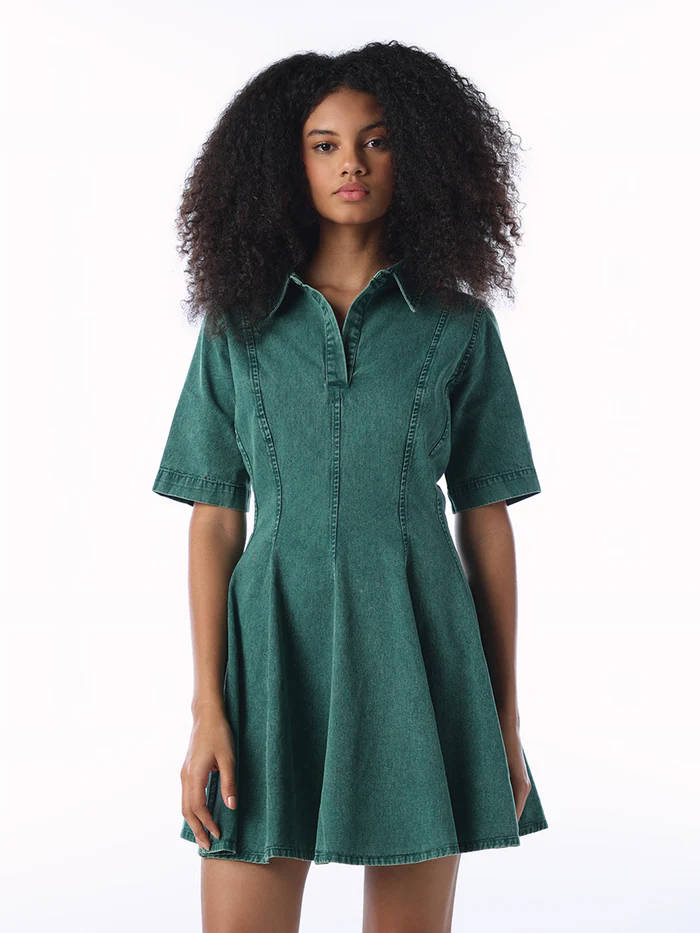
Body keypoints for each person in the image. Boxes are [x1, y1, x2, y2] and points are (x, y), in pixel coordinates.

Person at [152, 39, 548, 933]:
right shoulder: (238, 325)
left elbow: (486, 517)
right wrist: (208, 706)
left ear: (420, 154)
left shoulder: (456, 324)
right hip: (270, 659)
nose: (352, 165)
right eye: (324, 144)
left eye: (376, 140)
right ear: (285, 163)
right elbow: (215, 518)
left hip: (420, 651)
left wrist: (503, 713)